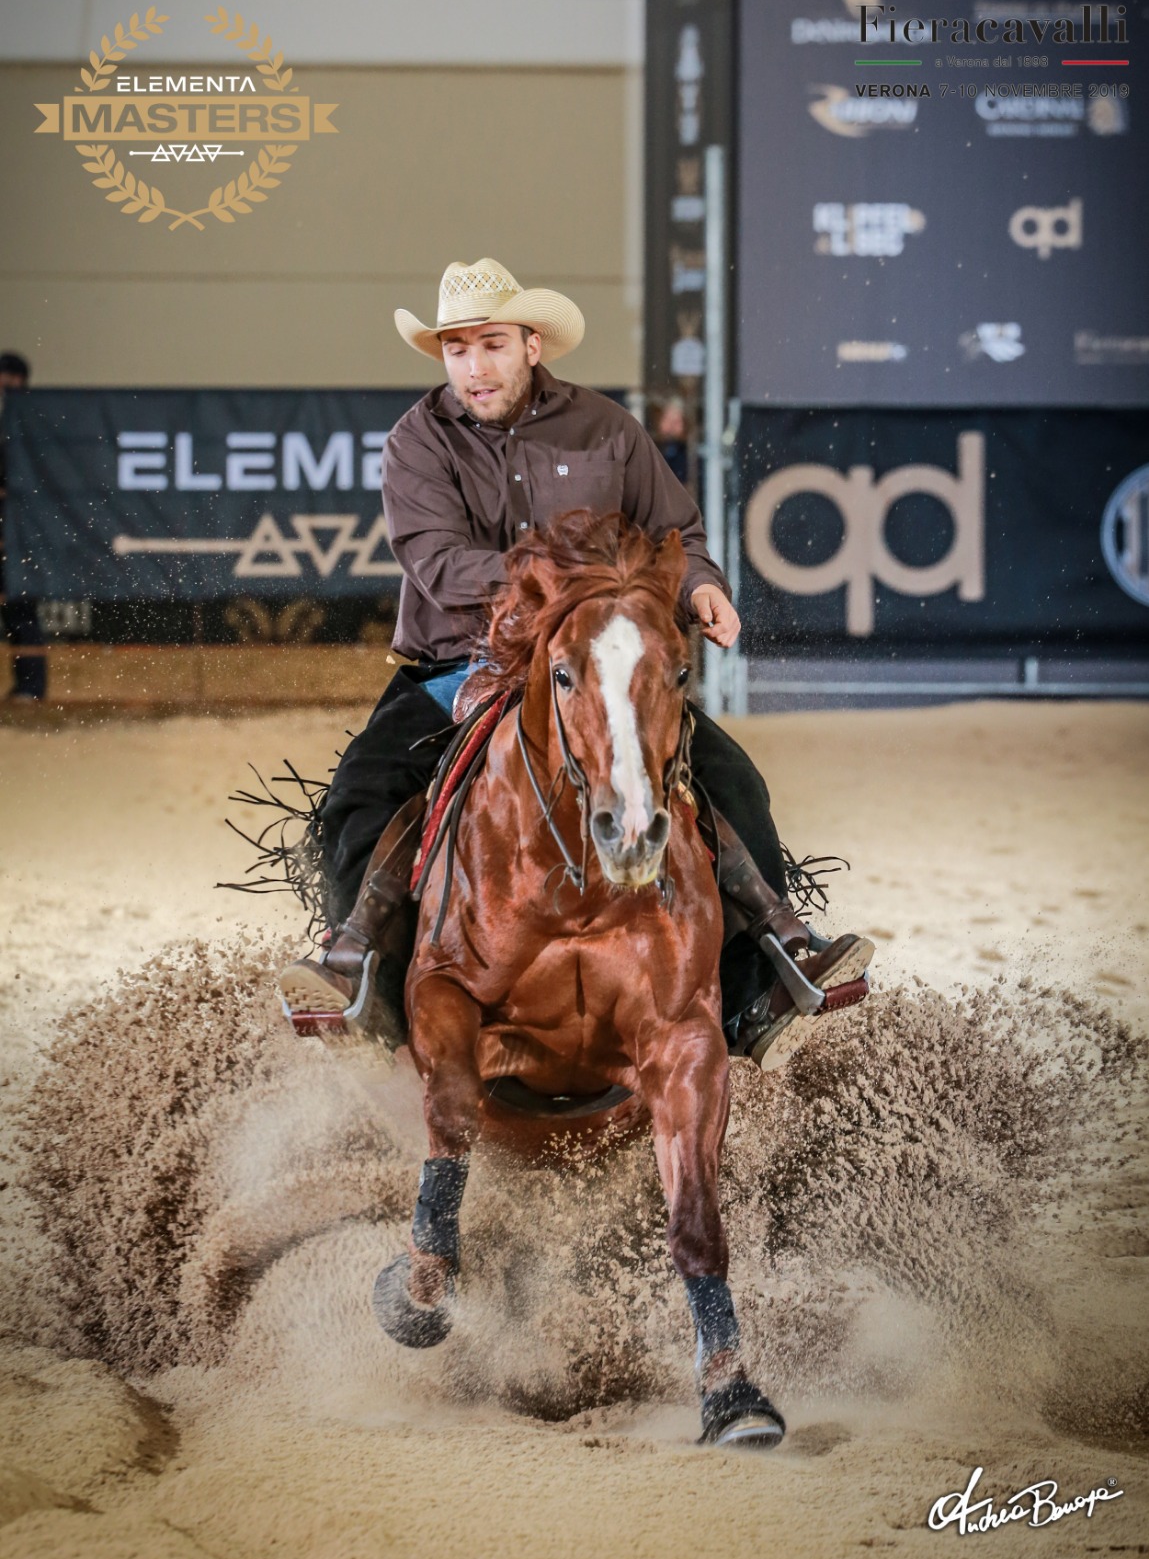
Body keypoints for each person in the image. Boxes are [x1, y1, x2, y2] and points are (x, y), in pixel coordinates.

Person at [278, 259, 873, 1064]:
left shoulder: (606, 430)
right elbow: (439, 566)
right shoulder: (418, 443)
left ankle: (764, 974)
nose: (473, 367)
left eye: (490, 344)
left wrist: (700, 588)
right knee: (359, 795)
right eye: (456, 349)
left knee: (732, 782)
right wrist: (567, 585)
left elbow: (677, 535)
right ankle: (361, 976)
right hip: (458, 662)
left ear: (530, 345)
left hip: (595, 669)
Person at [0, 351, 46, 704]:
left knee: (21, 611)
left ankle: (31, 689)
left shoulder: (31, 424)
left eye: (10, 377)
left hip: (21, 536)